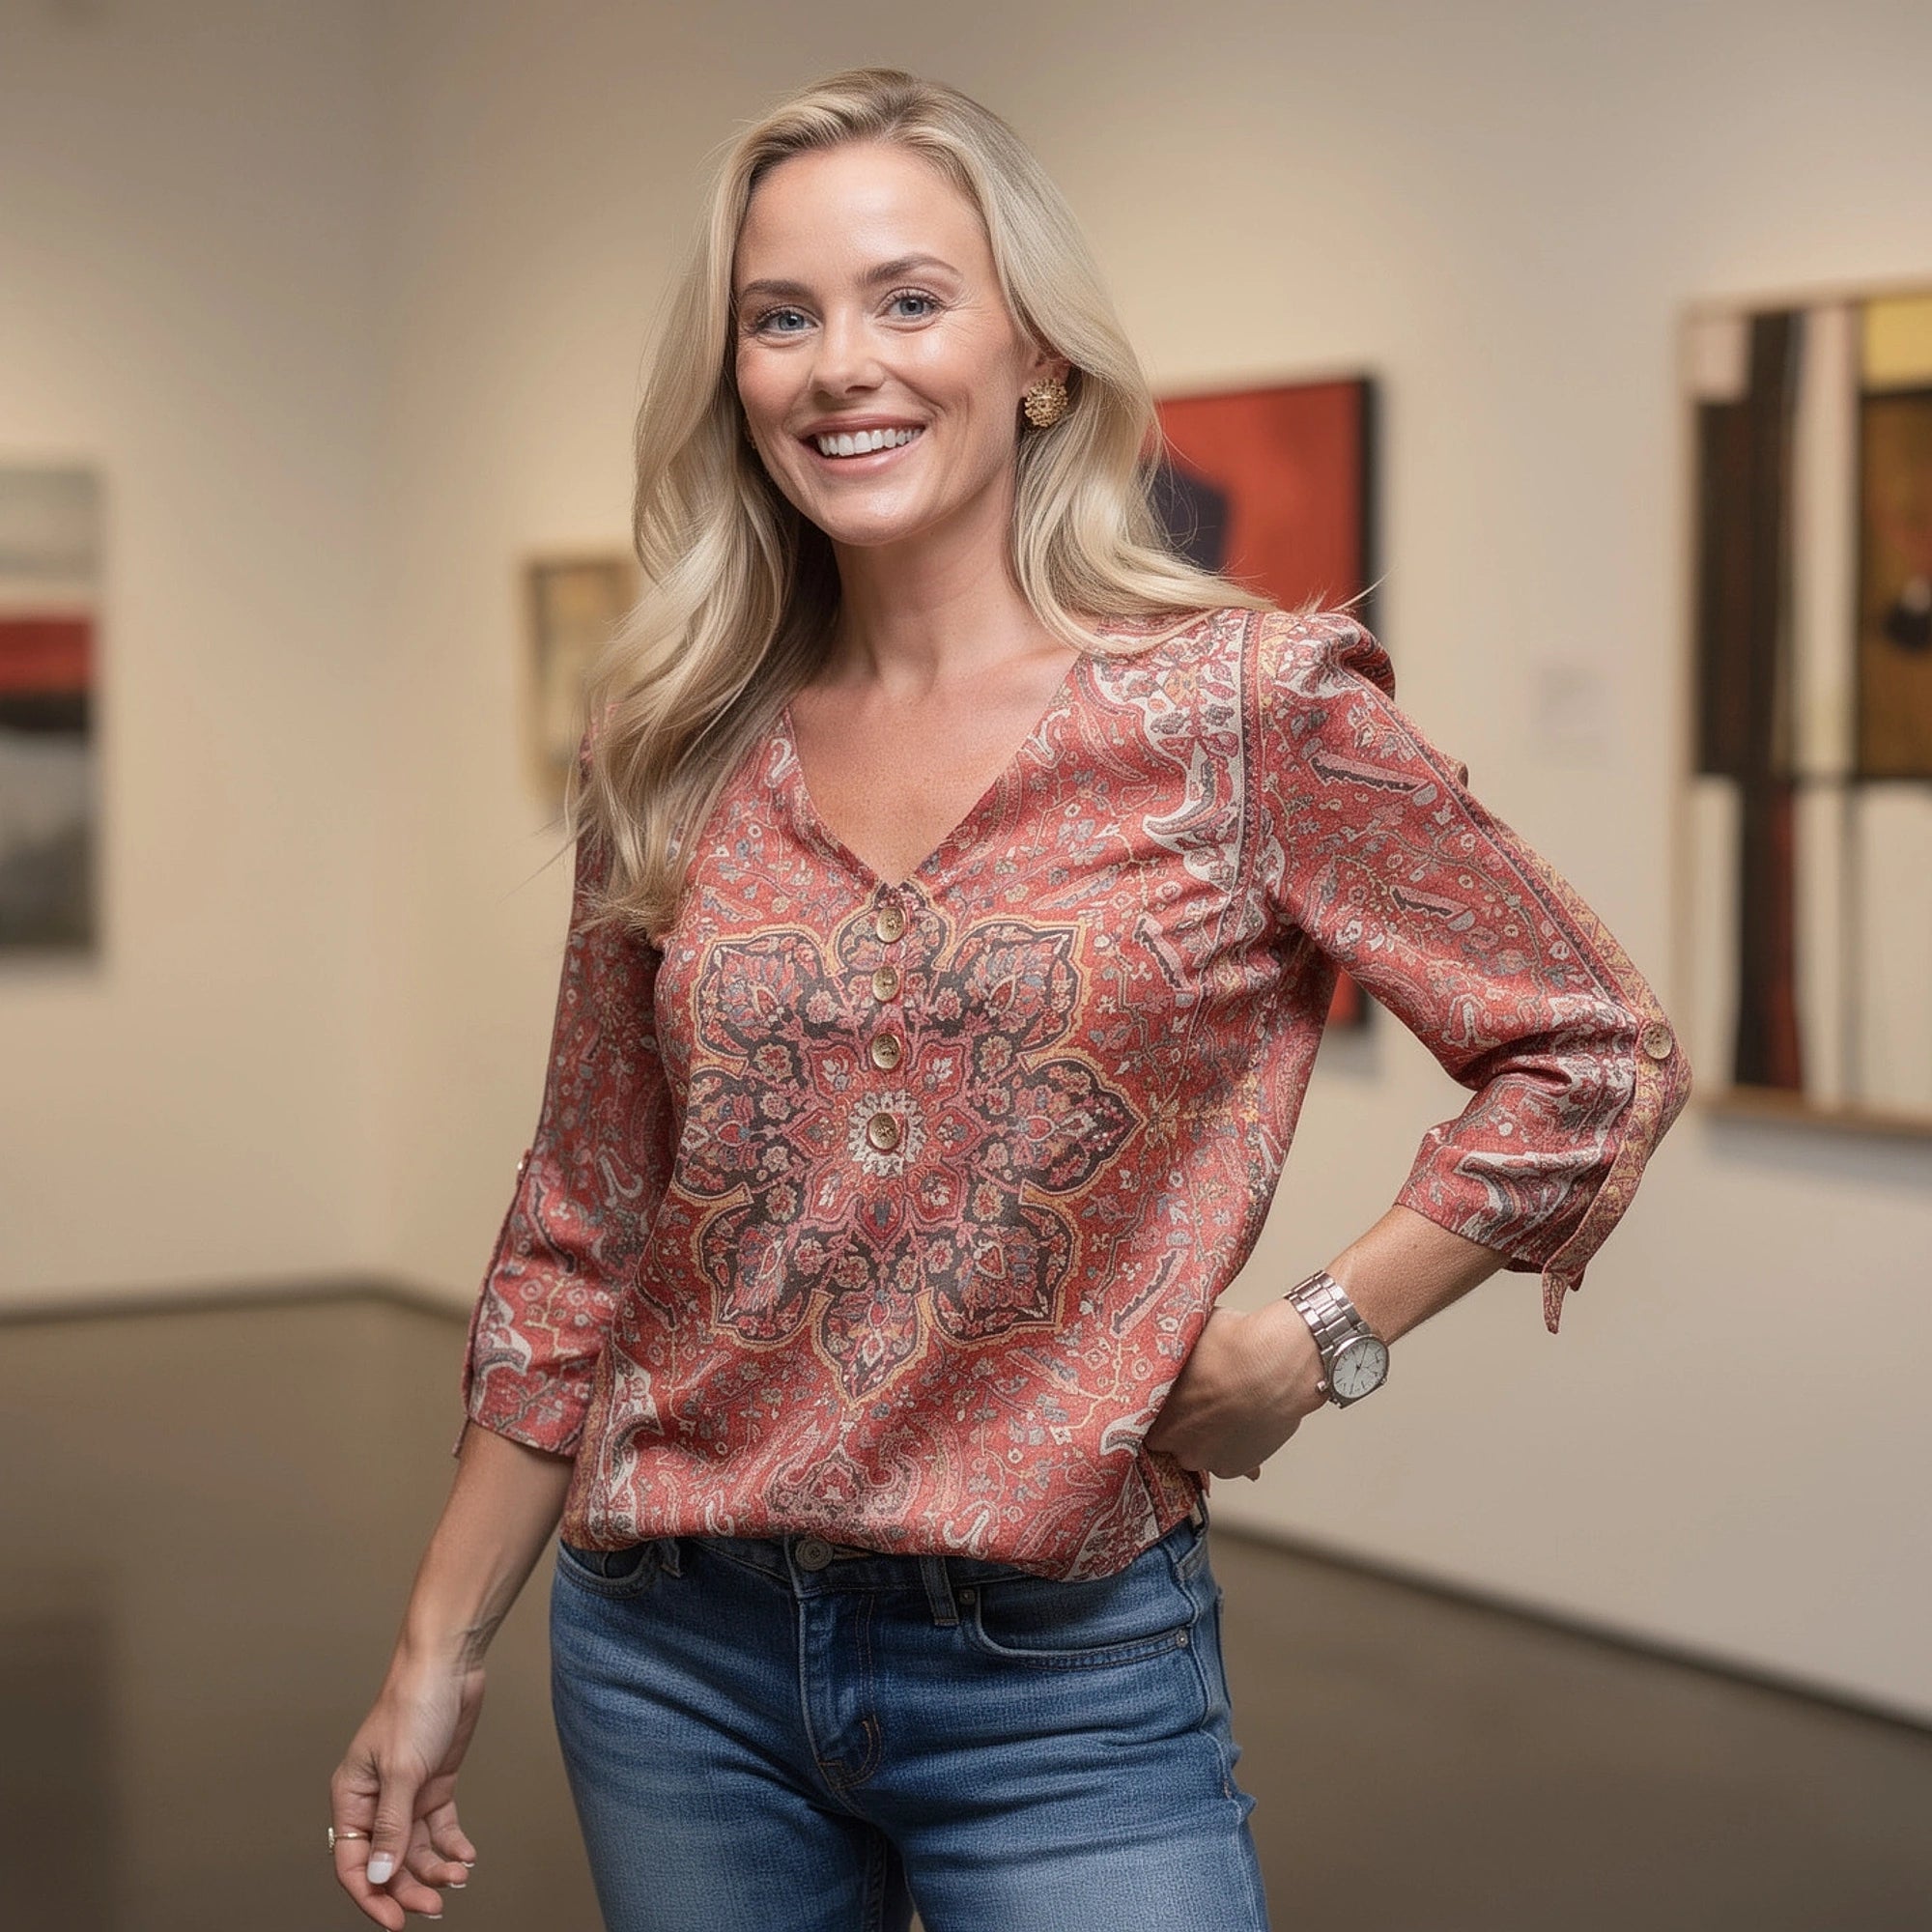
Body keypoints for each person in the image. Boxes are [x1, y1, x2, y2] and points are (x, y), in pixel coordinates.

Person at [327, 65, 1690, 1932]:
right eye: (780, 316)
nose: (840, 365)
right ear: (735, 378)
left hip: (1062, 1677)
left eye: (909, 298)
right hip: (672, 1659)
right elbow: (583, 1219)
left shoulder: (1243, 713)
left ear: (1037, 353)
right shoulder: (671, 744)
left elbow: (1587, 1050)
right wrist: (434, 1646)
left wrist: (1316, 1337)